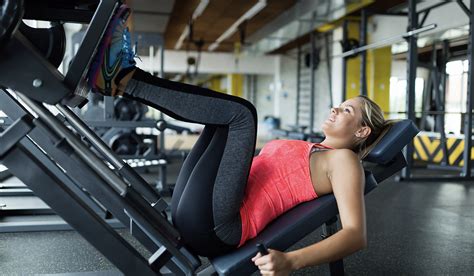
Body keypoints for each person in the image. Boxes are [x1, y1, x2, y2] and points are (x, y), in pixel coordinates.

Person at [87, 5, 393, 275]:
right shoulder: (316, 149)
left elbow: (355, 234)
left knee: (242, 114)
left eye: (347, 109)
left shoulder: (345, 161)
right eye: (340, 104)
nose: (335, 108)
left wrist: (291, 261)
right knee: (223, 118)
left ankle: (125, 80)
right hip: (197, 211)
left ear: (362, 131)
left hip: (218, 226)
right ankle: (122, 78)